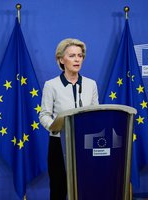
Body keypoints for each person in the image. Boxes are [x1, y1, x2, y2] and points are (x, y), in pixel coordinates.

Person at [39, 38, 99, 199]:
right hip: (59, 143)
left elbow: (96, 112)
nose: (77, 59)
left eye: (80, 55)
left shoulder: (91, 84)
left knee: (86, 185)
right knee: (59, 187)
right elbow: (44, 114)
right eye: (72, 55)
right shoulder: (51, 85)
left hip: (85, 142)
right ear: (61, 59)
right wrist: (55, 127)